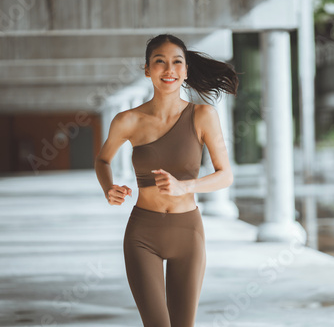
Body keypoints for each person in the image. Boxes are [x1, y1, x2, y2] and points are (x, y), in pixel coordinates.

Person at [94, 34, 239, 326]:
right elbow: (103, 160)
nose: (169, 69)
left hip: (188, 233)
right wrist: (108, 187)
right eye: (159, 62)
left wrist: (185, 186)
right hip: (142, 235)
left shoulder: (203, 115)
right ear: (147, 69)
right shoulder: (127, 120)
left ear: (186, 71)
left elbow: (225, 175)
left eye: (177, 62)